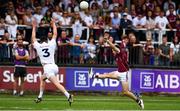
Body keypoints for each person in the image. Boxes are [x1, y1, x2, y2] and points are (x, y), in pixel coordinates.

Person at [88, 35, 144, 109]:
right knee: (107, 75)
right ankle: (92, 76)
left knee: (125, 92)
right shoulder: (116, 55)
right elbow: (113, 47)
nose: (112, 51)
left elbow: (114, 47)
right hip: (119, 72)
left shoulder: (119, 52)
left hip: (124, 74)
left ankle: (138, 100)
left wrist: (108, 41)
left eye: (113, 50)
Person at [32, 19, 73, 106]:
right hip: (54, 66)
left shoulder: (38, 46)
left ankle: (68, 95)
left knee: (56, 84)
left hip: (47, 67)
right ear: (47, 40)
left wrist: (34, 27)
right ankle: (40, 97)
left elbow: (33, 38)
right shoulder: (51, 44)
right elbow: (55, 34)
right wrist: (53, 24)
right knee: (42, 78)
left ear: (40, 41)